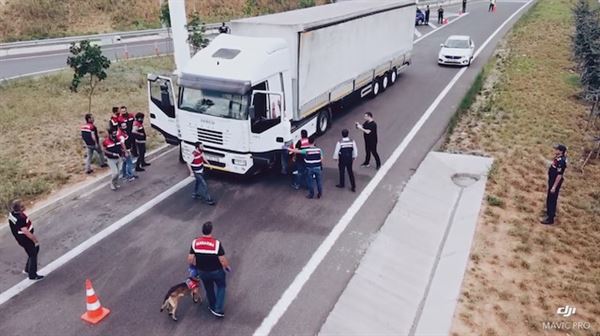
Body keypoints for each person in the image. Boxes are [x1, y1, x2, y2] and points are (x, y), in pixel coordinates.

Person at [187, 221, 230, 318]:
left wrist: (194, 266)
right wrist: (227, 266)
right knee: (221, 286)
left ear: (202, 231)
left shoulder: (195, 242)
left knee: (209, 288)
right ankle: (218, 309)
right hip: (216, 271)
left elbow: (190, 258)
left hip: (202, 271)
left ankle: (212, 306)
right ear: (211, 231)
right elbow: (222, 260)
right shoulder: (216, 244)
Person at [8, 200, 44, 280]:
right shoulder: (20, 218)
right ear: (19, 209)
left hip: (20, 238)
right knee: (33, 253)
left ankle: (27, 269)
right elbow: (25, 231)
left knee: (31, 253)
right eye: (22, 206)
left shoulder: (12, 215)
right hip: (25, 239)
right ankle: (32, 275)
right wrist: (34, 240)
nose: (25, 207)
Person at [541, 144, 567, 225]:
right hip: (552, 180)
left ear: (561, 151)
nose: (555, 150)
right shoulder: (558, 158)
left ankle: (550, 218)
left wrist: (554, 187)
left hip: (555, 182)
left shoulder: (561, 161)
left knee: (552, 199)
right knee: (550, 198)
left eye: (557, 149)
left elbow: (559, 175)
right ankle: (549, 213)